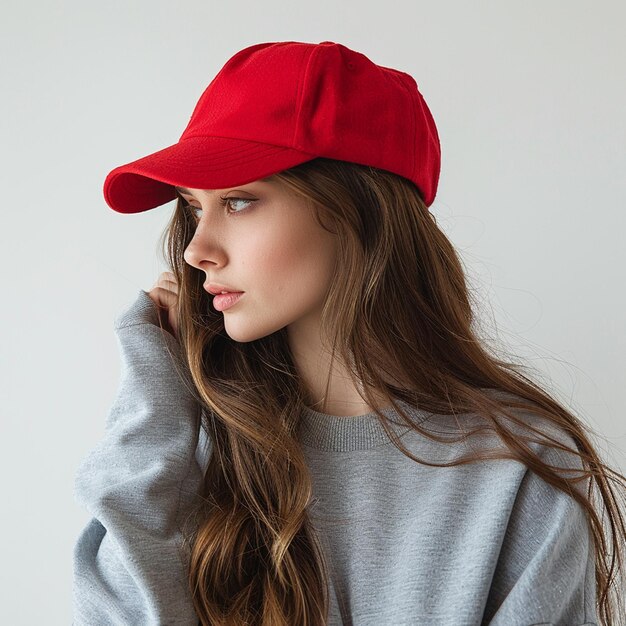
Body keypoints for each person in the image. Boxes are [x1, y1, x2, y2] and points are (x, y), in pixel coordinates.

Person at [72, 40, 626, 626]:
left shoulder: (518, 468)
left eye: (238, 202)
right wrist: (154, 389)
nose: (196, 250)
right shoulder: (189, 448)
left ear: (356, 210)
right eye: (194, 209)